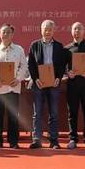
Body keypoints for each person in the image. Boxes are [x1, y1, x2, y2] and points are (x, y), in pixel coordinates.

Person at [27, 19, 70, 149]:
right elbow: (31, 64)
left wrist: (58, 78)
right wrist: (35, 79)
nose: (47, 32)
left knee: (54, 113)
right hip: (39, 83)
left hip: (53, 83)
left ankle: (54, 140)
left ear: (53, 31)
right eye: (45, 29)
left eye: (50, 30)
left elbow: (62, 65)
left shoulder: (59, 46)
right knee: (37, 113)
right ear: (41, 30)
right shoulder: (34, 45)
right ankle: (37, 139)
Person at [0, 23, 29, 149]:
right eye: (3, 32)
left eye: (8, 32)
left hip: (12, 88)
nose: (5, 34)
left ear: (12, 34)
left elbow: (24, 66)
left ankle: (13, 141)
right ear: (0, 34)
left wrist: (18, 78)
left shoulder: (19, 50)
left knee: (13, 116)